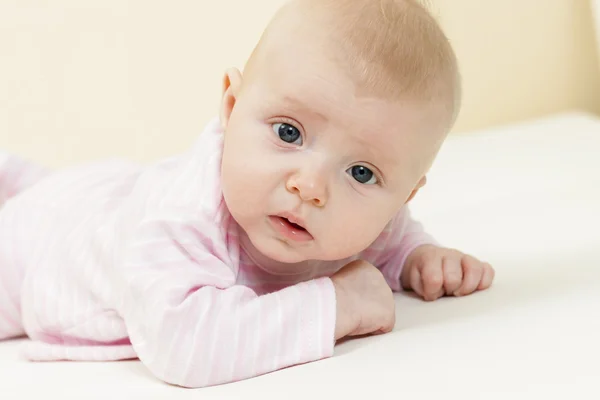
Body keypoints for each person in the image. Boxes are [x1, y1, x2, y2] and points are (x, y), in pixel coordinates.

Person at [0, 0, 494, 388]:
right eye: (288, 133)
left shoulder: (369, 219)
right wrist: (338, 305)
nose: (311, 186)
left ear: (405, 195)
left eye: (362, 173)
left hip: (112, 191)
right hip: (42, 246)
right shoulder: (184, 218)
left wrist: (419, 258)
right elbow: (182, 343)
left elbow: (391, 240)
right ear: (232, 107)